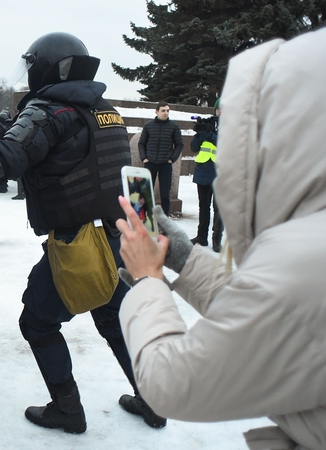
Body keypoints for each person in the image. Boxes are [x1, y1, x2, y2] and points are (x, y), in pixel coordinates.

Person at [0, 31, 165, 433]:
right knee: (116, 319)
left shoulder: (49, 111)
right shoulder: (106, 111)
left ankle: (67, 410)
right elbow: (130, 179)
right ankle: (154, 400)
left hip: (79, 243)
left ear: (47, 69)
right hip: (122, 237)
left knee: (36, 322)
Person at [115, 27, 326, 449]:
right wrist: (183, 256)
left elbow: (171, 383)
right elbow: (268, 310)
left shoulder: (309, 263)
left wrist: (147, 280)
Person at [137, 101, 183, 215]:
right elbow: (141, 143)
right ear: (157, 111)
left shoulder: (174, 126)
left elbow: (180, 144)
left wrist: (172, 159)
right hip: (150, 163)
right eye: (163, 111)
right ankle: (144, 217)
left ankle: (165, 219)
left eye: (168, 111)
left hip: (165, 164)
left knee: (165, 195)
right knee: (146, 192)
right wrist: (144, 158)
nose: (166, 113)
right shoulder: (148, 125)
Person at [189, 100, 223, 252]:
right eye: (218, 108)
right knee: (203, 207)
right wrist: (200, 134)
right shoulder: (207, 123)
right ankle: (201, 237)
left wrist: (210, 136)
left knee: (218, 209)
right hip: (203, 172)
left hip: (220, 174)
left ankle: (217, 240)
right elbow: (193, 147)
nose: (220, 111)